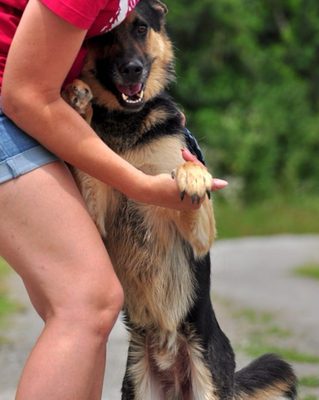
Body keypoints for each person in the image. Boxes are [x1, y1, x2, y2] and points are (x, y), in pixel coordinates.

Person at [0, 0, 228, 398]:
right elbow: (23, 96)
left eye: (140, 30)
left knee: (84, 318)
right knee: (87, 306)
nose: (126, 51)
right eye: (104, 36)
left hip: (40, 115)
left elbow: (201, 239)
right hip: (23, 111)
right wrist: (139, 185)